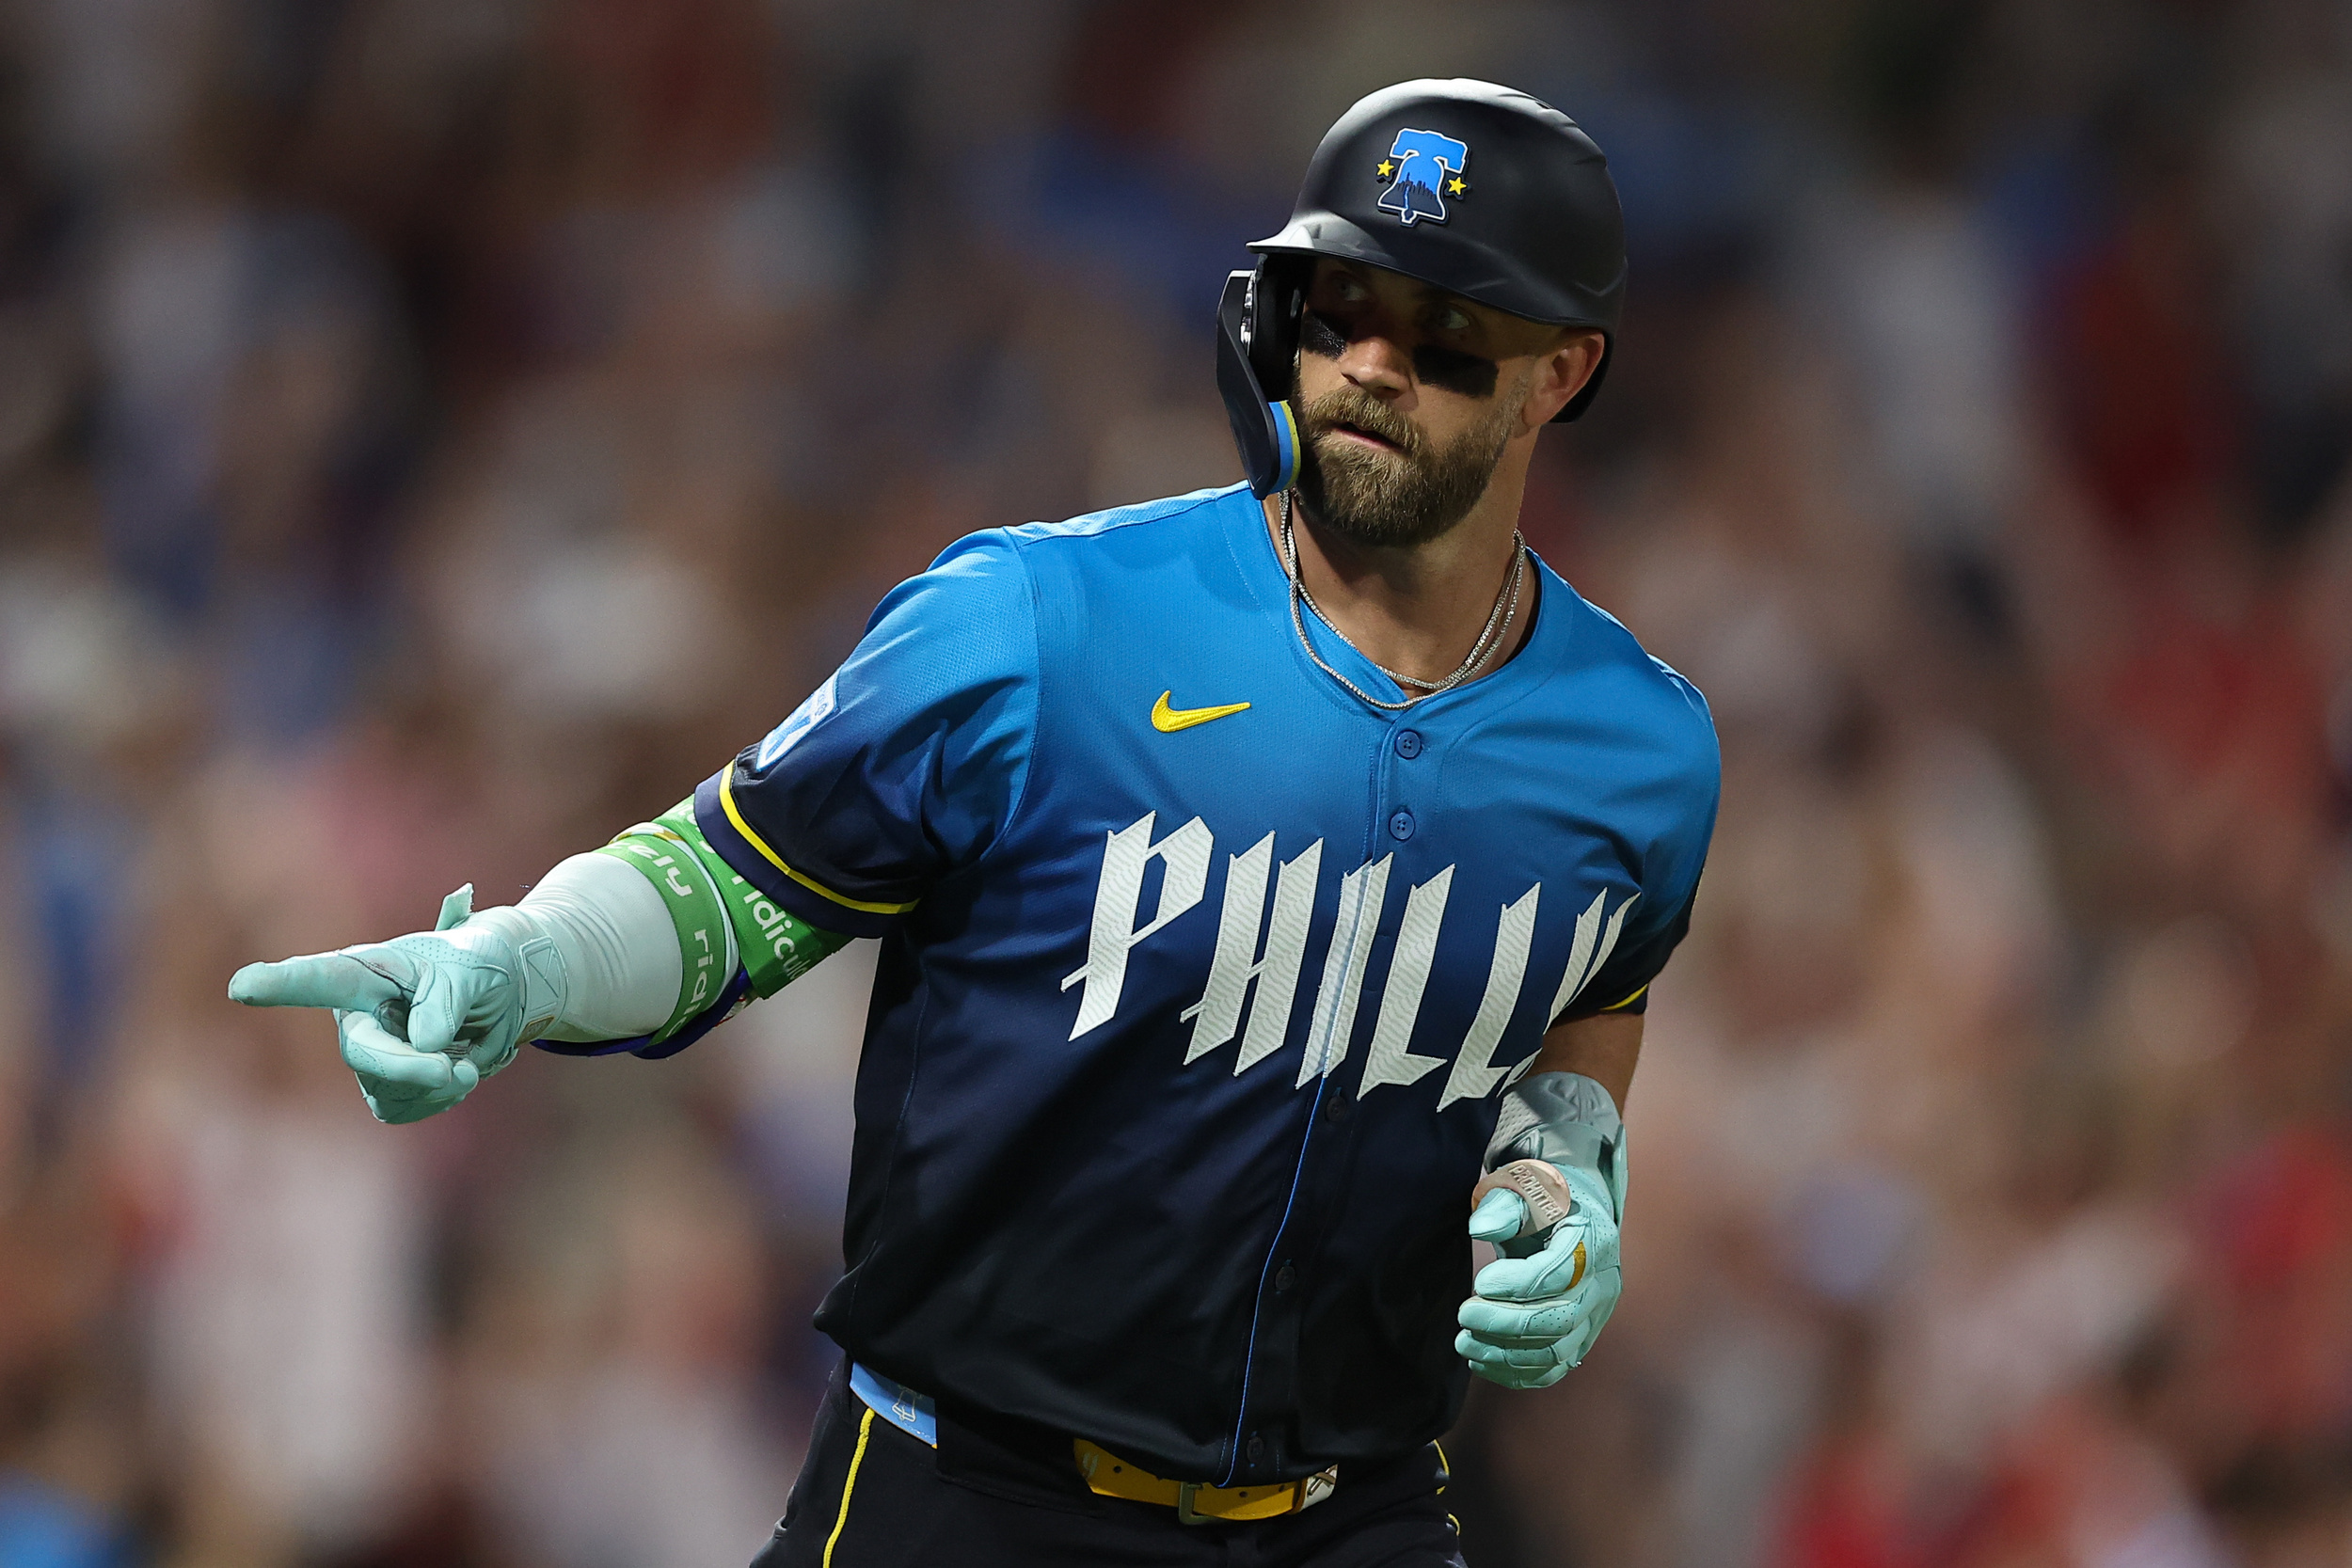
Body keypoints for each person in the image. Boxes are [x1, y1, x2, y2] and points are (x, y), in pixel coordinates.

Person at [230, 78, 1719, 1567]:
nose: (1372, 366)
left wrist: (1562, 1173)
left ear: (1561, 371)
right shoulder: (1040, 621)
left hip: (1351, 1515)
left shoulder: (1639, 753)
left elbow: (1591, 994)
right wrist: (527, 959)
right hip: (973, 1495)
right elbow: (733, 879)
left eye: (1445, 330)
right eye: (1341, 308)